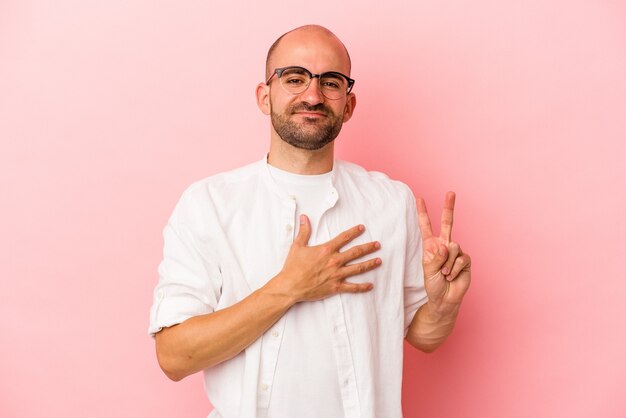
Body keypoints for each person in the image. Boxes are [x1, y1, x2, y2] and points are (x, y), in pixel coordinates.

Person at [148, 24, 471, 418]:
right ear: (264, 97)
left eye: (331, 82)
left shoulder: (392, 203)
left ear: (348, 105)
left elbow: (423, 336)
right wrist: (289, 287)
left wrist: (442, 306)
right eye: (295, 78)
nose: (313, 95)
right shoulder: (209, 205)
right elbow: (174, 355)